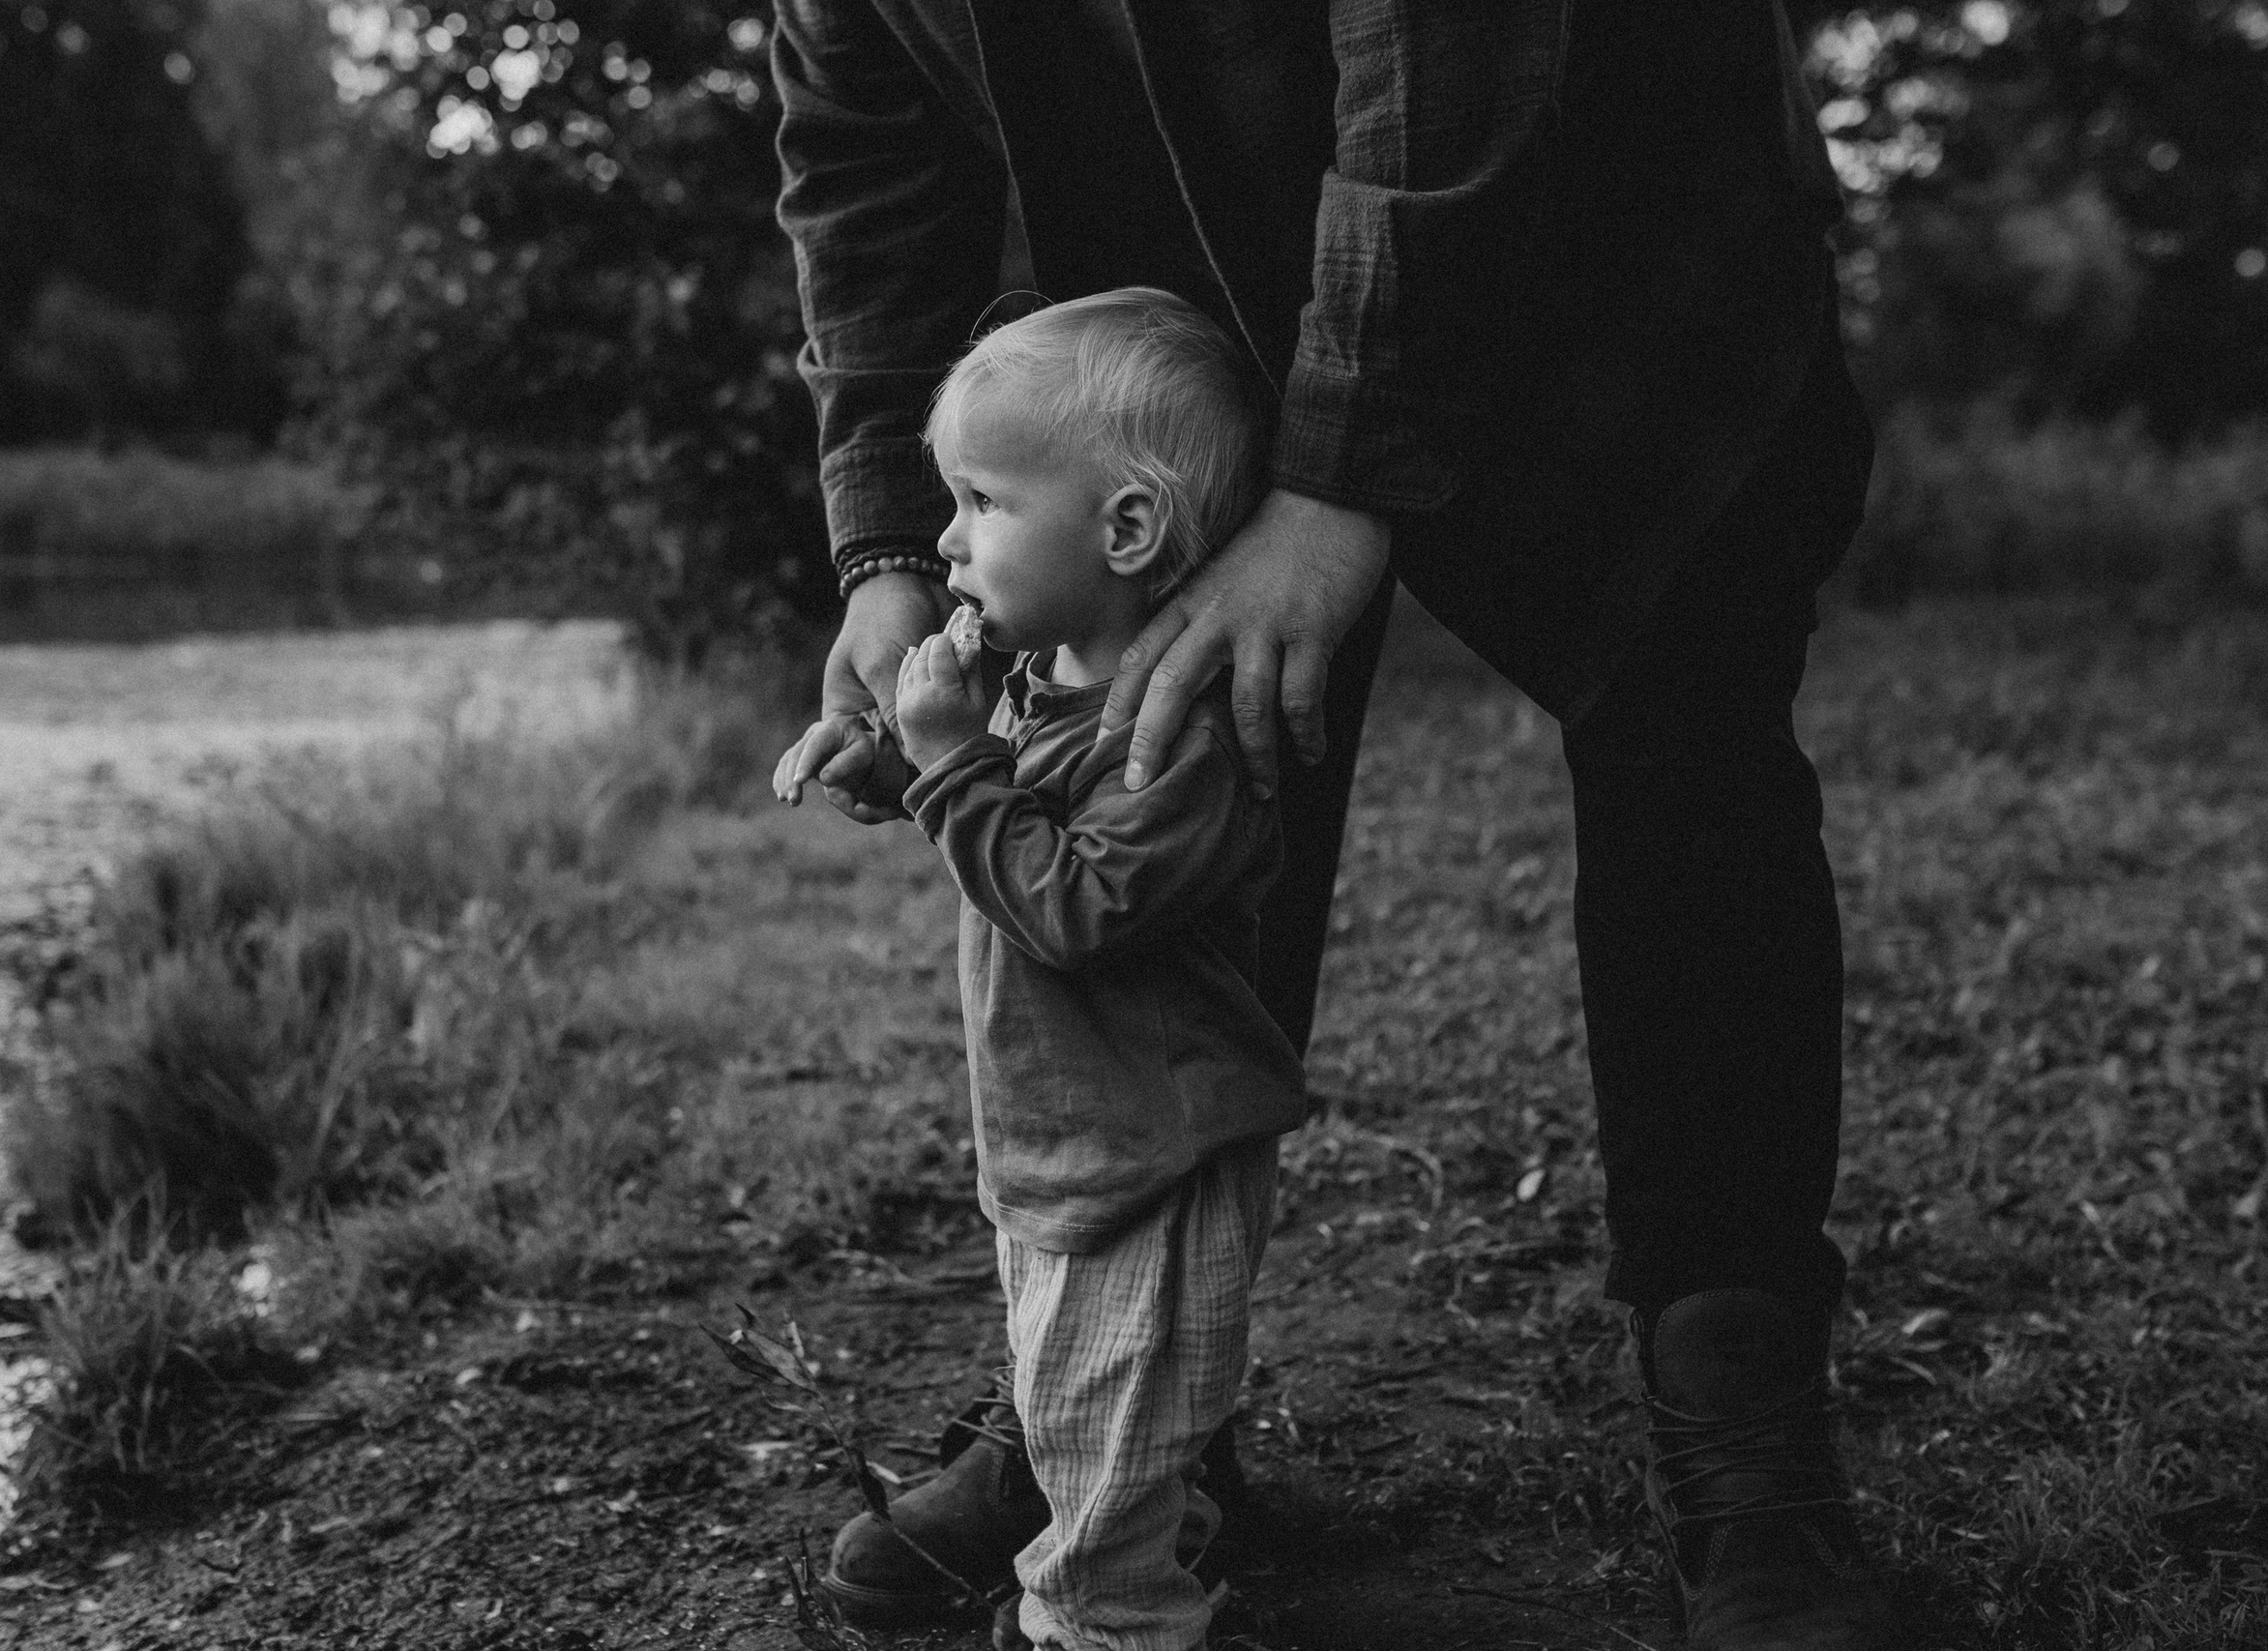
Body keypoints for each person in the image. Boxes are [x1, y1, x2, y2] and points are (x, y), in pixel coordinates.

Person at [767, 3, 1894, 1648]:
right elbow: (861, 160)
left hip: (1606, 219)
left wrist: (1339, 482)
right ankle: (1128, 1427)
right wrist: (883, 543)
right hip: (1201, 304)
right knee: (1161, 735)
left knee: (1688, 738)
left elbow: (1454, 55)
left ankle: (1745, 1415)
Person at [781, 286, 1303, 1651]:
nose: (945, 539)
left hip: (1156, 1155)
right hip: (1074, 1138)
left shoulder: (1176, 736)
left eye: (983, 503)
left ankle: (1110, 1619)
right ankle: (1145, 1537)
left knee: (1111, 1417)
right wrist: (898, 769)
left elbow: (1073, 904)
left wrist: (953, 763)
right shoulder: (1047, 669)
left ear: (1125, 528)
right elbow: (1011, 804)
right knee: (1088, 1408)